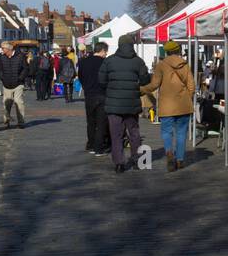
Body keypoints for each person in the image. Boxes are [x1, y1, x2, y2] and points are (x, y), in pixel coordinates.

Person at [98, 34, 150, 173]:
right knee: (134, 132)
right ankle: (137, 160)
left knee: (116, 135)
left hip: (113, 104)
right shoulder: (138, 61)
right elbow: (145, 80)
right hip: (132, 103)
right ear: (132, 45)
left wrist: (111, 89)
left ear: (119, 45)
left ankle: (119, 163)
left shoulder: (109, 61)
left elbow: (101, 80)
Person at [142, 40, 195, 172]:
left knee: (166, 132)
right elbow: (191, 86)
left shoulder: (161, 65)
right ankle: (180, 160)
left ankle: (169, 154)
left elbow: (154, 85)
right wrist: (186, 96)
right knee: (181, 133)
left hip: (166, 105)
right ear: (178, 50)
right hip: (183, 104)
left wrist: (142, 89)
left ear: (166, 51)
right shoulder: (185, 65)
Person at [77, 42, 110, 155]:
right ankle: (98, 148)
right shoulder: (105, 63)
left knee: (91, 122)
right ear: (102, 50)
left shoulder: (83, 62)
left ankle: (91, 145)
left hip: (89, 94)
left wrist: (86, 87)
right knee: (101, 123)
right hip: (102, 94)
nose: (106, 54)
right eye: (106, 52)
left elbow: (80, 77)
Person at [0, 42, 29, 129]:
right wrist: (2, 78)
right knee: (7, 103)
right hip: (7, 84)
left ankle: (21, 122)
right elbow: (0, 70)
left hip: (18, 84)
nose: (2, 50)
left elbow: (26, 69)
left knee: (18, 102)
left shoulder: (20, 56)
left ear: (8, 49)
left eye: (3, 48)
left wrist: (20, 78)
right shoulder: (2, 57)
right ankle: (6, 120)